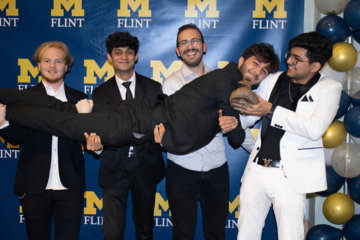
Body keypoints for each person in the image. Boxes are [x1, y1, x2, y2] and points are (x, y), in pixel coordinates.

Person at [0, 39, 279, 157]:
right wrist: (255, 112)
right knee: (60, 122)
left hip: (135, 115)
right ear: (242, 60)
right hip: (135, 123)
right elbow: (232, 137)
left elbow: (226, 127)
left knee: (64, 112)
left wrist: (246, 114)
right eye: (255, 64)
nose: (257, 71)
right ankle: (8, 112)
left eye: (264, 70)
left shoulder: (227, 80)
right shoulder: (228, 81)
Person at [156, 24, 278, 240]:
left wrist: (259, 151)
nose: (190, 46)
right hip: (182, 168)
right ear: (177, 51)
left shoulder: (226, 82)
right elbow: (183, 126)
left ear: (204, 46)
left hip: (216, 169)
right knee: (183, 234)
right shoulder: (172, 83)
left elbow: (237, 126)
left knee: (216, 233)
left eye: (195, 41)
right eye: (184, 43)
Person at [234, 32, 342, 240]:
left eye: (297, 59)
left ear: (315, 66)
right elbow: (250, 118)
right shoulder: (273, 79)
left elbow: (315, 128)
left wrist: (271, 111)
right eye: (289, 55)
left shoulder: (330, 88)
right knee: (246, 234)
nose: (289, 62)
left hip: (289, 176)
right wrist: (235, 119)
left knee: (290, 236)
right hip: (256, 169)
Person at [0, 41, 87, 240]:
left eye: (58, 61)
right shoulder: (25, 97)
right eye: (47, 60)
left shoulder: (80, 99)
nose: (52, 66)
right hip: (33, 185)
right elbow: (17, 137)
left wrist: (96, 145)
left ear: (67, 66)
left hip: (70, 186)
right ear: (38, 65)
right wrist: (2, 123)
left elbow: (88, 136)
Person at [86, 32, 165, 240]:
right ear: (110, 57)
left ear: (136, 56)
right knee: (112, 233)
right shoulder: (100, 93)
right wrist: (99, 146)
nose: (124, 57)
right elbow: (103, 132)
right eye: (118, 52)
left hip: (147, 165)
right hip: (113, 166)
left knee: (145, 231)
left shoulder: (154, 88)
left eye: (129, 52)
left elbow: (155, 126)